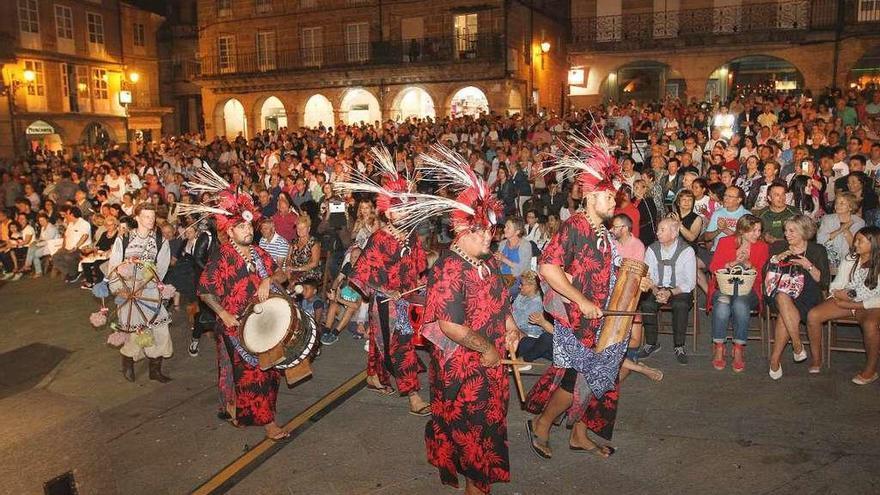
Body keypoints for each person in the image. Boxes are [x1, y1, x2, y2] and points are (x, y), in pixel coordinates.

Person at [415, 146, 520, 495]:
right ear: (462, 231)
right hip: (464, 369)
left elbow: (500, 302)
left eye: (491, 230)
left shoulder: (487, 262)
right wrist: (489, 348)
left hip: (491, 364)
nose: (490, 236)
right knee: (473, 434)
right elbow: (451, 326)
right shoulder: (448, 268)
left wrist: (510, 327)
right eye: (482, 231)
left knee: (489, 427)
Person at [524, 140, 632, 460]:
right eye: (609, 196)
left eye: (614, 196)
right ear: (590, 196)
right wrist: (581, 300)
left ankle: (578, 434)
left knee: (599, 379)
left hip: (600, 321)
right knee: (576, 380)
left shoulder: (603, 232)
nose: (614, 201)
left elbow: (602, 271)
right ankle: (541, 424)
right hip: (577, 321)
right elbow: (547, 266)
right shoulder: (575, 226)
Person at [194, 169, 291, 440]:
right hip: (235, 326)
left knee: (269, 373)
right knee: (248, 376)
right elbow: (204, 291)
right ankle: (268, 423)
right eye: (242, 227)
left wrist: (268, 280)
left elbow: (283, 273)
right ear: (230, 231)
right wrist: (223, 314)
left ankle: (246, 412)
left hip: (264, 324)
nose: (248, 231)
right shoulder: (222, 257)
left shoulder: (260, 253)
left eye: (250, 226)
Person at [344, 147, 431, 416]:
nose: (405, 214)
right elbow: (361, 274)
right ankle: (413, 395)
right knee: (400, 345)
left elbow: (419, 268)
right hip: (386, 302)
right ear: (389, 214)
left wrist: (422, 285)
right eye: (400, 211)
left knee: (384, 341)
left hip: (407, 298)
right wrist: (387, 291)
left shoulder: (413, 237)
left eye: (408, 210)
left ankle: (374, 376)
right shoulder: (380, 239)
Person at [107, 203, 173, 383]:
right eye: (146, 217)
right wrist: (118, 289)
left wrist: (147, 284)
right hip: (127, 291)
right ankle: (127, 363)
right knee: (133, 330)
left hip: (149, 292)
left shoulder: (161, 240)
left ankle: (155, 369)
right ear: (137, 218)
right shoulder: (124, 239)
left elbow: (161, 268)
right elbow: (114, 265)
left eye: (152, 217)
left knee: (159, 328)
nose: (150, 220)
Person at [806, 226, 880, 385]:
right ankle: (817, 359)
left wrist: (854, 302)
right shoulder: (851, 258)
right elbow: (837, 284)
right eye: (856, 240)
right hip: (846, 299)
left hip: (870, 305)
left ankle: (871, 369)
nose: (856, 243)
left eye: (860, 241)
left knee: (870, 325)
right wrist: (839, 293)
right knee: (813, 315)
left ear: (873, 243)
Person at [768, 216, 832, 379]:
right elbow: (765, 273)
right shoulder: (778, 246)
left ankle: (775, 360)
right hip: (780, 289)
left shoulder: (817, 250)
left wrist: (808, 265)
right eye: (786, 230)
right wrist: (776, 259)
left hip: (808, 294)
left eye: (792, 231)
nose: (786, 234)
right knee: (783, 297)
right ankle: (797, 345)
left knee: (785, 314)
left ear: (805, 232)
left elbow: (824, 282)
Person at [707, 214, 769, 372]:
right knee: (723, 303)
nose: (757, 234)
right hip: (724, 286)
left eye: (759, 230)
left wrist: (749, 265)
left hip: (749, 289)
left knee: (740, 303)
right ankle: (719, 346)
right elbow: (713, 268)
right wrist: (732, 263)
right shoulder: (725, 242)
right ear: (742, 231)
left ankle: (738, 347)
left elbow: (764, 275)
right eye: (753, 231)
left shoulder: (762, 247)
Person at [639, 217, 697, 364]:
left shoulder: (687, 251)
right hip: (657, 287)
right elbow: (647, 275)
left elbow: (690, 282)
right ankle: (651, 343)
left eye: (662, 230)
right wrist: (656, 290)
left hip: (678, 290)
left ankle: (679, 345)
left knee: (680, 305)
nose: (657, 233)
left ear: (674, 233)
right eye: (658, 229)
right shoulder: (652, 249)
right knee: (647, 305)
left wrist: (670, 293)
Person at [512, 270, 553, 366]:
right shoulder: (520, 296)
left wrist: (510, 326)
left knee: (546, 338)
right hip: (524, 332)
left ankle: (525, 359)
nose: (519, 286)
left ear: (531, 286)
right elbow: (513, 311)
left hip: (531, 333)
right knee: (525, 342)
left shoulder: (538, 302)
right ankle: (537, 353)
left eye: (522, 284)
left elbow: (521, 322)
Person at [817, 192, 864, 274]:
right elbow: (820, 240)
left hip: (849, 262)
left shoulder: (859, 222)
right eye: (836, 203)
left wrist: (846, 229)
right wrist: (841, 228)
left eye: (842, 203)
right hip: (828, 261)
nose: (838, 205)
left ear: (850, 207)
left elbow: (855, 246)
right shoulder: (827, 219)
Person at [53, 206, 92, 283]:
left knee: (68, 257)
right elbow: (65, 236)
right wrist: (63, 247)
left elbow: (85, 236)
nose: (66, 216)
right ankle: (69, 272)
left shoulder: (84, 223)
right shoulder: (70, 224)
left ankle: (74, 273)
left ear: (72, 214)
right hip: (67, 248)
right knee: (55, 257)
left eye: (67, 214)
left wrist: (76, 247)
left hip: (80, 248)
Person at [703, 185, 749, 250]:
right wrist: (719, 230)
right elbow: (707, 237)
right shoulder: (718, 213)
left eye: (730, 196)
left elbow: (745, 240)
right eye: (725, 195)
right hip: (717, 250)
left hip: (737, 252)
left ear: (739, 200)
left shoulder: (746, 215)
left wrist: (725, 229)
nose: (726, 198)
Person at [80, 216, 118, 289]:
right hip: (100, 254)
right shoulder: (104, 233)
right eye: (107, 225)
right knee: (85, 262)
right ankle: (90, 282)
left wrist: (104, 252)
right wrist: (94, 250)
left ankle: (101, 282)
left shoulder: (118, 234)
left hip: (110, 255)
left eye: (111, 225)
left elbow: (115, 248)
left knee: (97, 263)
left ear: (115, 225)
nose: (108, 227)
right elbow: (98, 245)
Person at [283, 215, 321, 285]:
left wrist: (297, 269)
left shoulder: (314, 243)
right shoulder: (294, 242)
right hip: (293, 271)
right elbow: (288, 259)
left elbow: (314, 263)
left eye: (303, 228)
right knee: (281, 278)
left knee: (295, 283)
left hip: (309, 272)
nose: (300, 230)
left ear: (308, 229)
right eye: (298, 228)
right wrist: (288, 268)